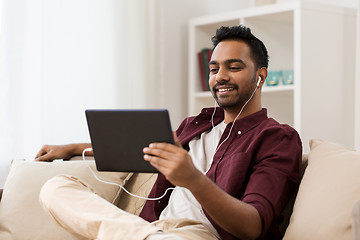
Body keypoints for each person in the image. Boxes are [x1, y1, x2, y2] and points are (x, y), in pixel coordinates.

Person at [36, 25, 302, 240]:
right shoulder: (195, 125)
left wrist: (193, 179)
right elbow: (137, 147)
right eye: (213, 69)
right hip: (155, 228)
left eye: (233, 67)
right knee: (57, 187)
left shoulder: (277, 138)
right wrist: (71, 148)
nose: (220, 76)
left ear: (260, 76)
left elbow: (252, 226)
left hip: (200, 236)